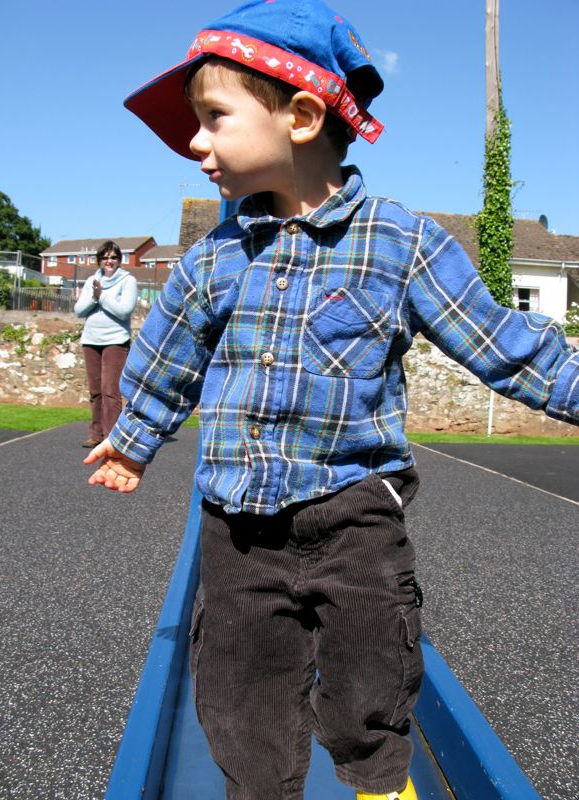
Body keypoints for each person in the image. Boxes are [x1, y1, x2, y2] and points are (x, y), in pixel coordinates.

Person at [84, 1, 579, 798]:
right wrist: (134, 437)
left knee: (370, 676)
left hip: (355, 515)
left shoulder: (400, 242)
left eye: (213, 118)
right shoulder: (214, 259)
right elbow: (166, 357)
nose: (195, 142)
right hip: (238, 530)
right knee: (240, 692)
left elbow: (502, 343)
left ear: (303, 116)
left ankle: (381, 785)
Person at [74, 240, 138, 448]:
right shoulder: (92, 281)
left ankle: (112, 437)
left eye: (113, 257)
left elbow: (124, 310)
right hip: (91, 340)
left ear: (119, 260)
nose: (109, 261)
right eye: (105, 257)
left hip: (116, 340)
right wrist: (94, 297)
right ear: (99, 260)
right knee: (95, 391)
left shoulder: (128, 281)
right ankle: (97, 434)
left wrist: (101, 298)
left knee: (111, 390)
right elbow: (79, 310)